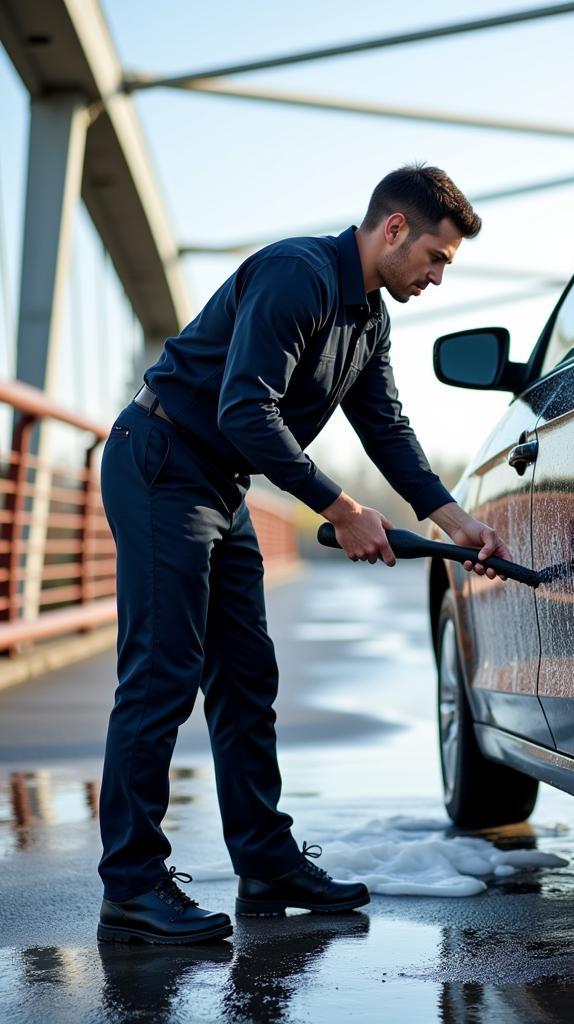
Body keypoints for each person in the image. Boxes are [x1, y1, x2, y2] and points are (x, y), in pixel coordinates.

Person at [96, 165, 511, 945]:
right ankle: (131, 888)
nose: (437, 277)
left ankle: (265, 861)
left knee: (247, 678)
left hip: (220, 481)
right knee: (161, 675)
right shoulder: (298, 275)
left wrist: (454, 520)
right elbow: (244, 407)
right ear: (394, 230)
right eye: (437, 257)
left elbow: (385, 428)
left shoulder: (368, 321)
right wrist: (344, 511)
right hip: (162, 461)